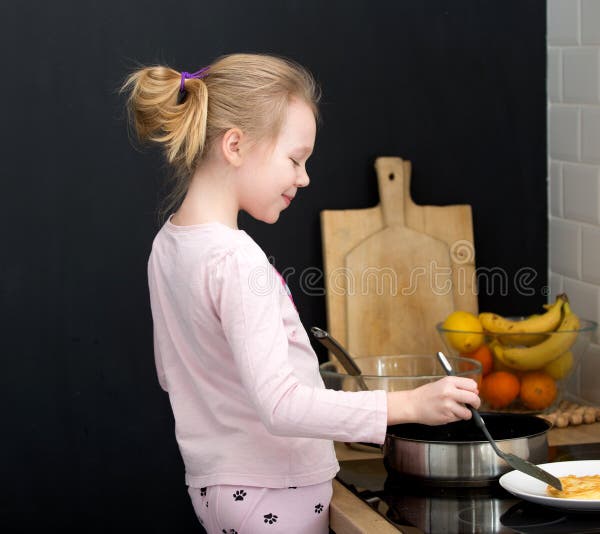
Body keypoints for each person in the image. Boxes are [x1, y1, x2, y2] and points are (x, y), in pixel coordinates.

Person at [121, 53, 481, 534]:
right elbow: (283, 404)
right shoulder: (236, 259)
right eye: (295, 159)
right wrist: (411, 406)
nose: (304, 177)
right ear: (235, 146)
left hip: (217, 488)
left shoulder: (168, 245)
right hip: (273, 490)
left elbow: (171, 375)